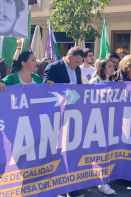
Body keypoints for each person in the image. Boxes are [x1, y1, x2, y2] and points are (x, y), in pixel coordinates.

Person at [44, 47, 85, 197]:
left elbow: (79, 89)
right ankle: (60, 187)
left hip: (73, 114)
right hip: (57, 115)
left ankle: (71, 186)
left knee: (72, 152)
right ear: (68, 58)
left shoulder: (78, 70)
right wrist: (65, 87)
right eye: (76, 62)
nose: (77, 65)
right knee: (58, 153)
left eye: (80, 63)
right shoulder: (53, 67)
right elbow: (46, 86)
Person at [88, 59, 117, 195]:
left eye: (113, 66)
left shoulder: (116, 83)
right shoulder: (95, 82)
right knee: (98, 151)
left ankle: (103, 180)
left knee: (107, 151)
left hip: (111, 121)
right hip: (96, 121)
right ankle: (100, 182)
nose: (113, 68)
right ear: (102, 68)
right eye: (110, 66)